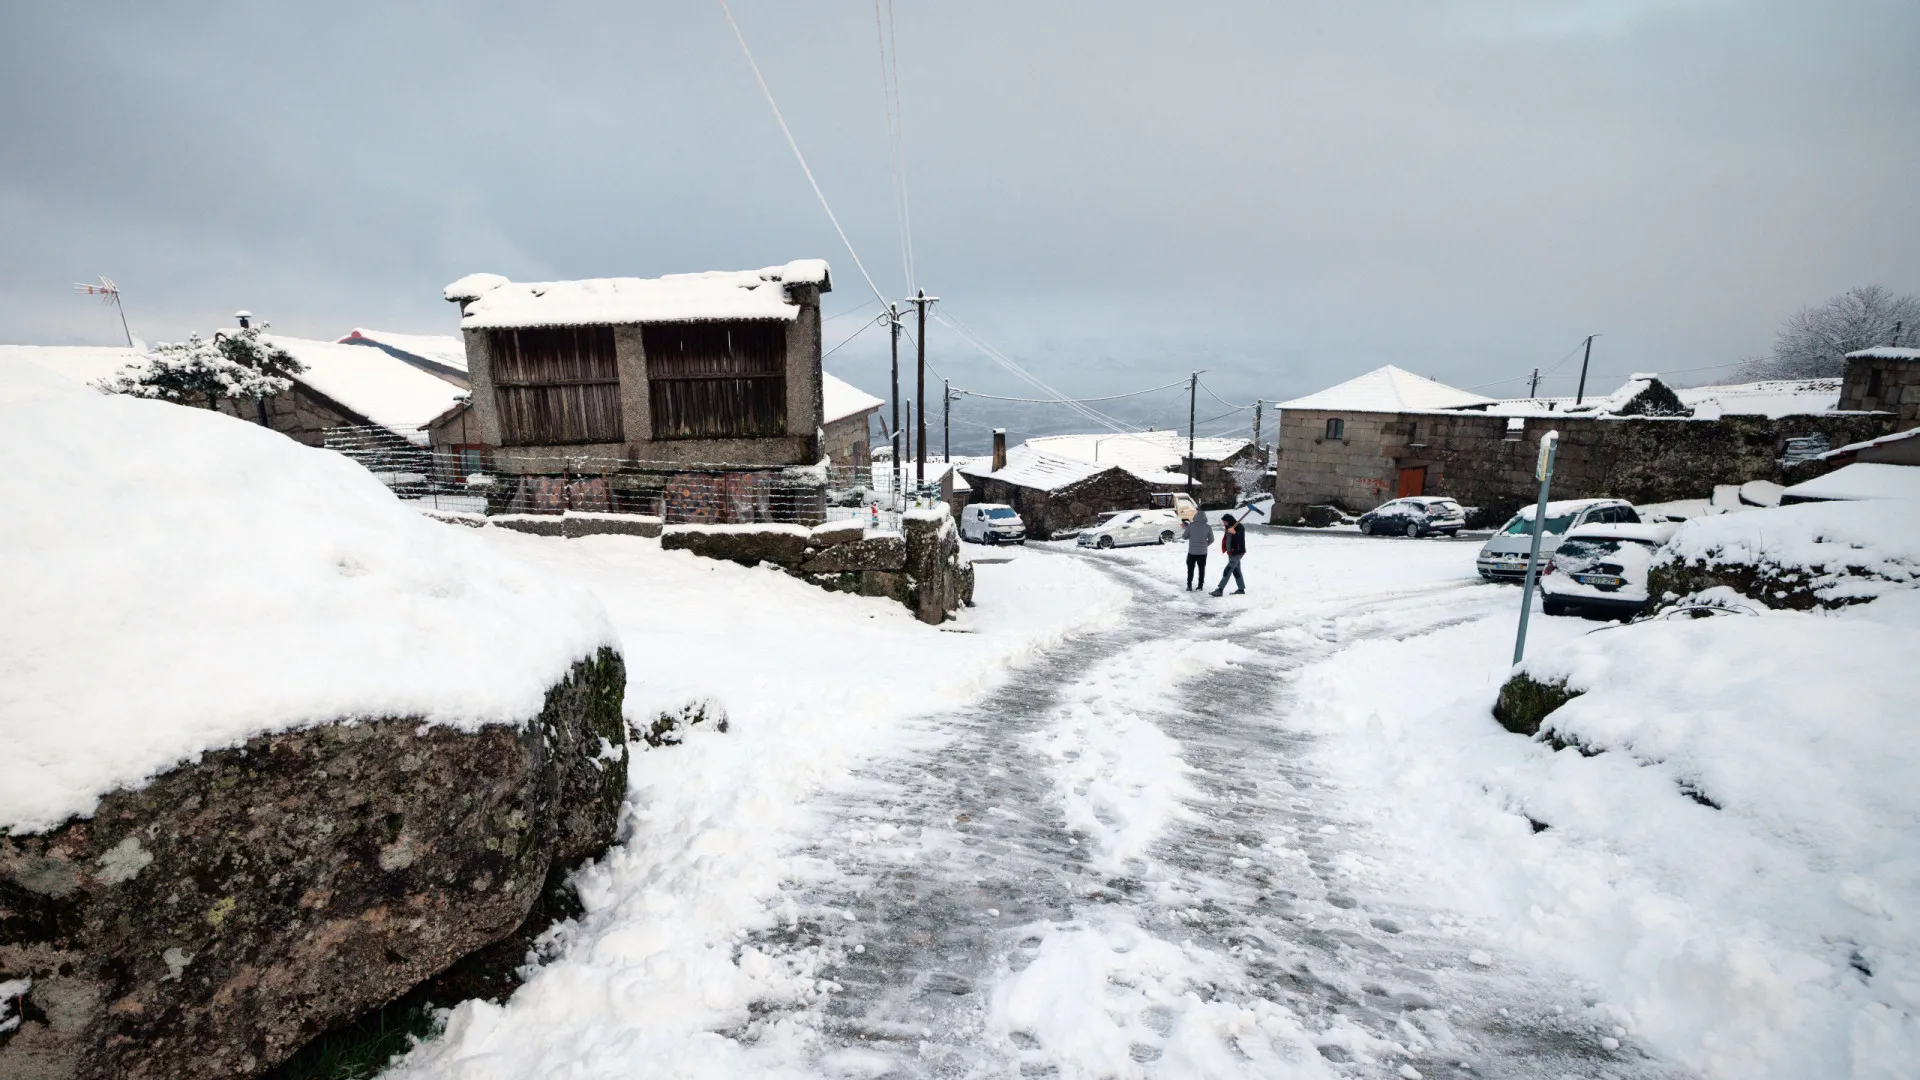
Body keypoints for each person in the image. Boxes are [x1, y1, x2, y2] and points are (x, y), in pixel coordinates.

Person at [1210, 503, 1265, 596]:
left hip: (1237, 552)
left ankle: (1220, 590)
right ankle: (1241, 589)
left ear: (1229, 521)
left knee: (1228, 570)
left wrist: (1235, 533)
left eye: (1225, 521)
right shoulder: (1229, 527)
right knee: (1236, 571)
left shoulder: (1239, 527)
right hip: (1231, 553)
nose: (1224, 523)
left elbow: (1240, 538)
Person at [1182, 510, 1214, 590]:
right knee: (1201, 569)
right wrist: (1205, 545)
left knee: (1190, 568)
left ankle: (1189, 585)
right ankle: (1200, 586)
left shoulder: (1191, 526)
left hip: (1192, 552)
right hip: (1203, 553)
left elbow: (1184, 537)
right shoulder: (1208, 527)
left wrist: (1189, 534)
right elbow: (1211, 539)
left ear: (1195, 516)